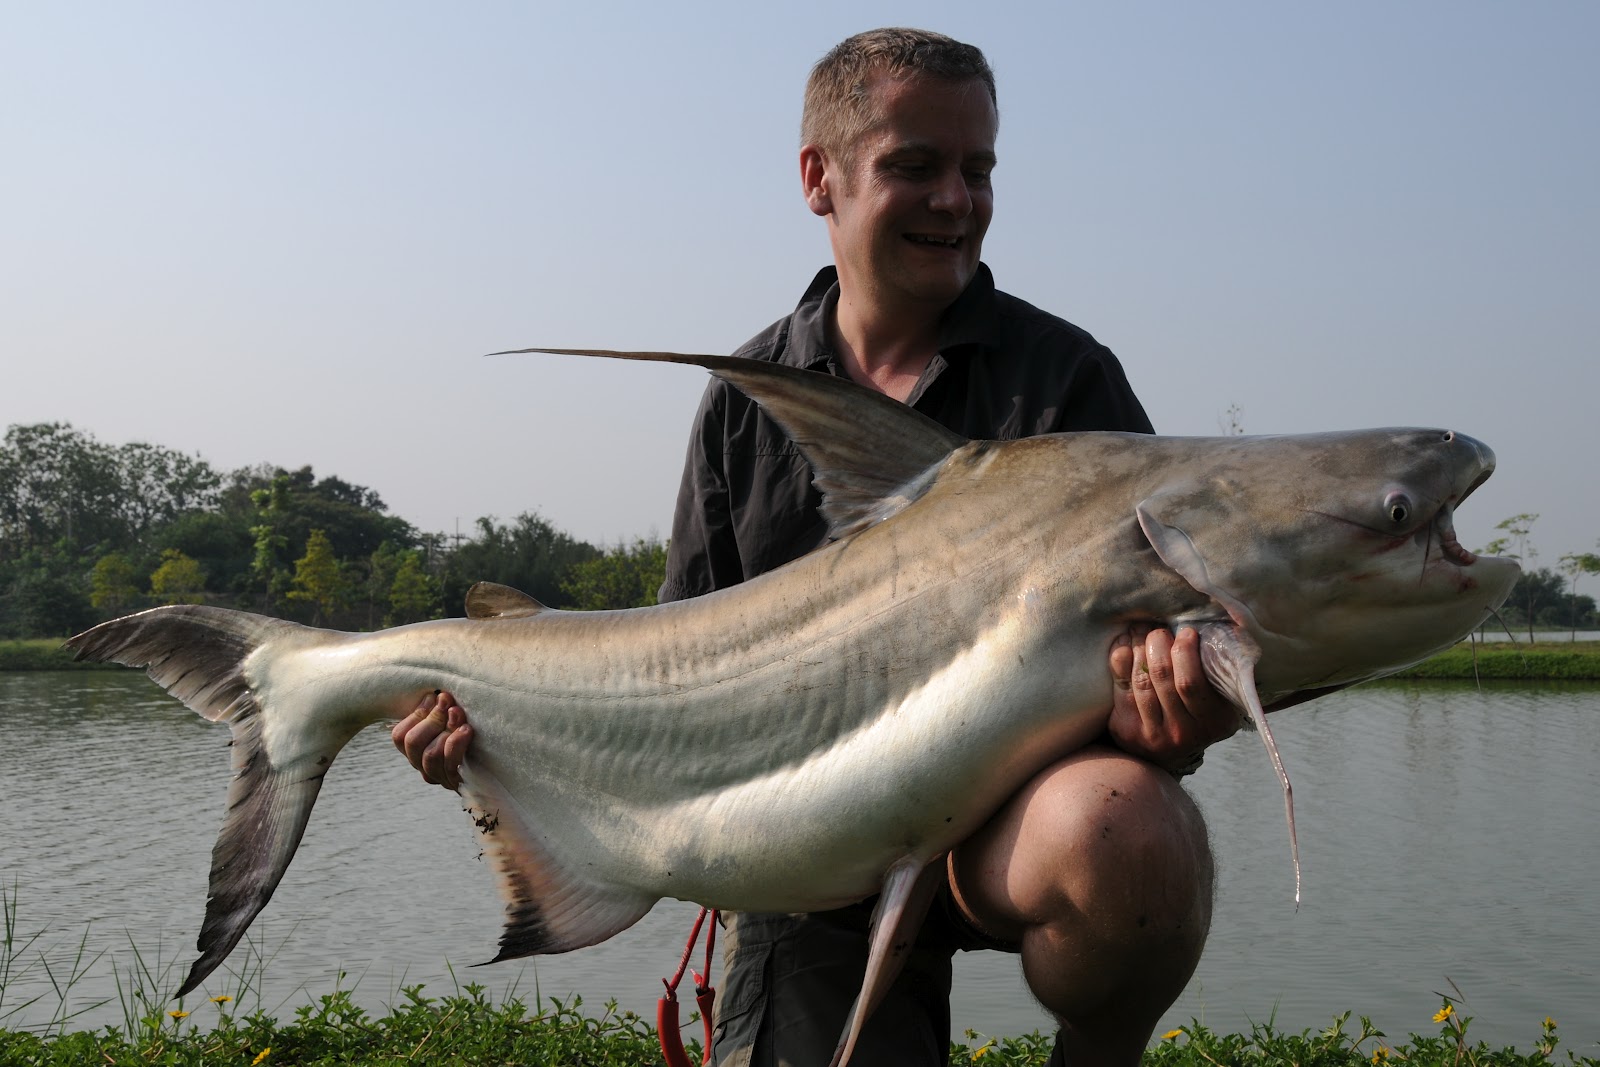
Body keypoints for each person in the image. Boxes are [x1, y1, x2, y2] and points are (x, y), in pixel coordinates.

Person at [395, 28, 1241, 1067]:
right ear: (818, 178)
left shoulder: (1066, 382)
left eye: (977, 170)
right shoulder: (746, 398)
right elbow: (667, 675)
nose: (955, 199)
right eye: (914, 166)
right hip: (811, 853)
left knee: (1135, 829)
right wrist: (494, 749)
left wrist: (1177, 718)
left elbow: (1166, 651)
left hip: (1020, 824)